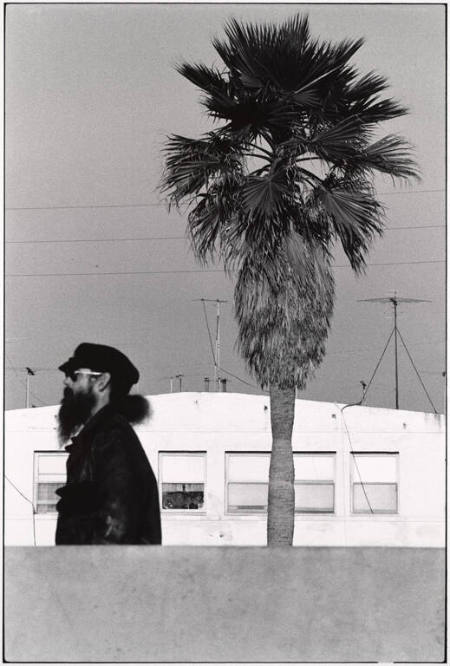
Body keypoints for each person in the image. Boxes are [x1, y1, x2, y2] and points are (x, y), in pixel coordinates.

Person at [54, 342, 162, 545]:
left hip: (103, 574)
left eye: (75, 375)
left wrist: (82, 574)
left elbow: (117, 532)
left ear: (102, 381)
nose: (67, 382)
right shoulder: (99, 437)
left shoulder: (111, 438)